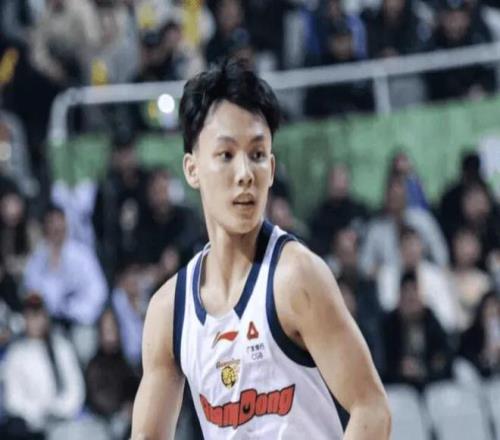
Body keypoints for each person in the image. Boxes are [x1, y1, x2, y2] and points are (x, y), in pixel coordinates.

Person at [131, 60, 391, 439]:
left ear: (271, 167)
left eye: (256, 155)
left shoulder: (297, 277)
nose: (245, 174)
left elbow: (372, 409)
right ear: (192, 169)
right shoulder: (169, 310)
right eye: (226, 155)